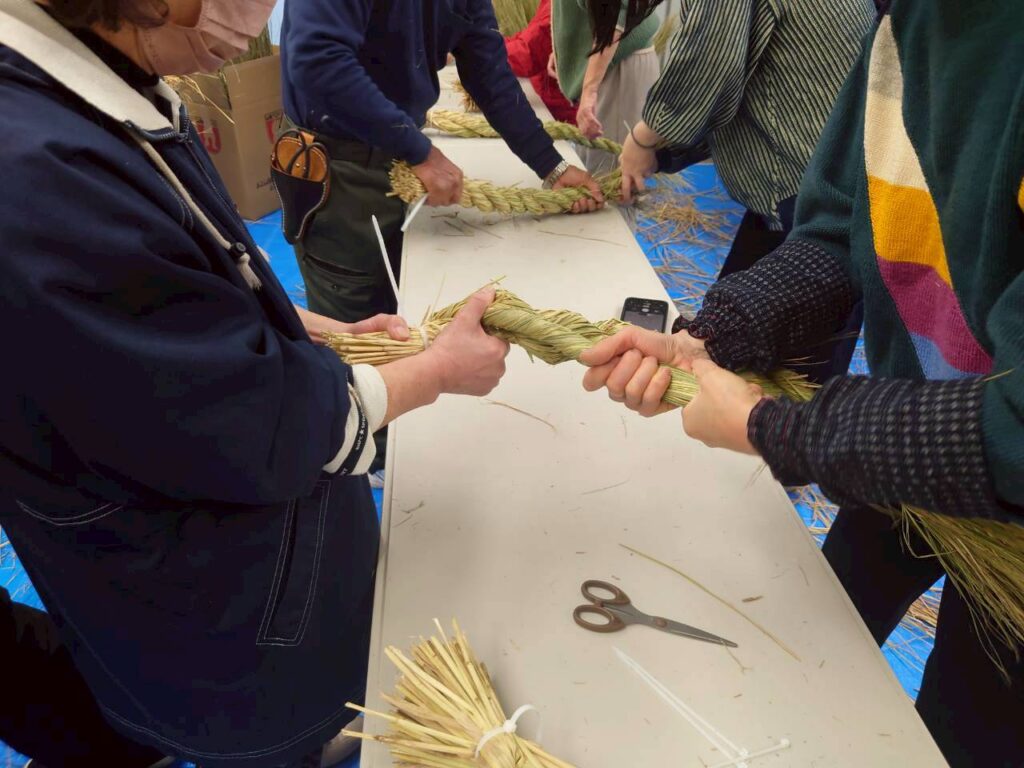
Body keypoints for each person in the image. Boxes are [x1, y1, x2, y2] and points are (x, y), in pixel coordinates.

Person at [0, 1, 510, 766]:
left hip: (214, 544)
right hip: (205, 597)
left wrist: (307, 323)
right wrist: (436, 373)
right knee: (264, 718)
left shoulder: (106, 85)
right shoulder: (38, 180)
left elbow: (180, 284)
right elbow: (260, 424)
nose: (262, 19)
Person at [579, 2, 1024, 765]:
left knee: (963, 727)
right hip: (905, 442)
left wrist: (775, 427)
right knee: (809, 640)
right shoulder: (900, 30)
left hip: (992, 484)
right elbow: (838, 228)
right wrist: (711, 336)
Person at [280, 0, 601, 484]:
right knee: (352, 324)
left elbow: (489, 71)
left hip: (396, 155)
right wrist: (419, 150)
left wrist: (550, 166)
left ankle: (386, 437)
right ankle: (356, 460)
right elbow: (317, 58)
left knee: (396, 313)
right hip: (338, 166)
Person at [609, 0, 876, 380]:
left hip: (814, 196)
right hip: (818, 181)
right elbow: (752, 86)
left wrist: (645, 138)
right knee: (719, 335)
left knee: (782, 375)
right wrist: (663, 156)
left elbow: (708, 64)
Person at [552, 0, 659, 174]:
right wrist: (565, 53)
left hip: (617, 64)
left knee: (610, 179)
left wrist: (589, 91)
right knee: (594, 171)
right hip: (604, 61)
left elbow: (613, 15)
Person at [504, 0, 577, 125]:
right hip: (547, 97)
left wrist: (481, 49)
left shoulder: (566, 6)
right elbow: (528, 37)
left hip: (562, 112)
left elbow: (528, 54)